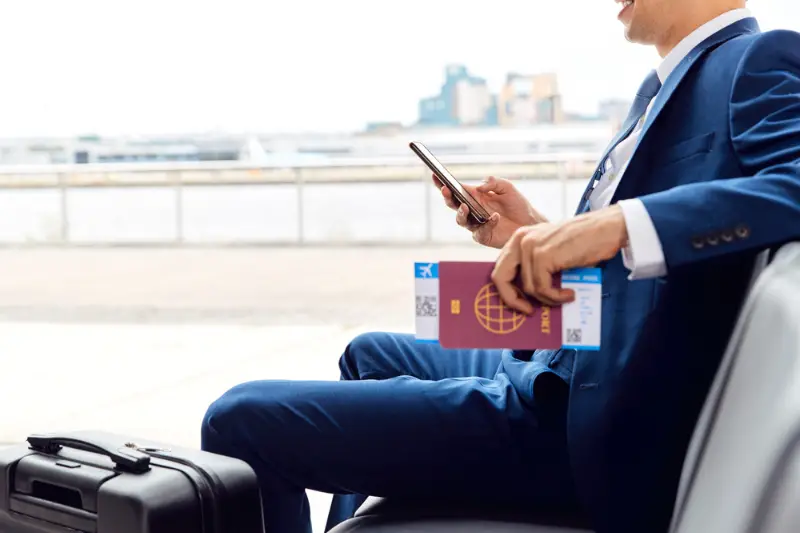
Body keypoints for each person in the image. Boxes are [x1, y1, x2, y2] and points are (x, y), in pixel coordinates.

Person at [201, 1, 800, 532]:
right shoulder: (663, 88)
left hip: (580, 417)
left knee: (238, 420)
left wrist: (611, 223)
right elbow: (646, 268)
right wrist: (532, 233)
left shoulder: (756, 59)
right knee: (368, 353)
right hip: (566, 345)